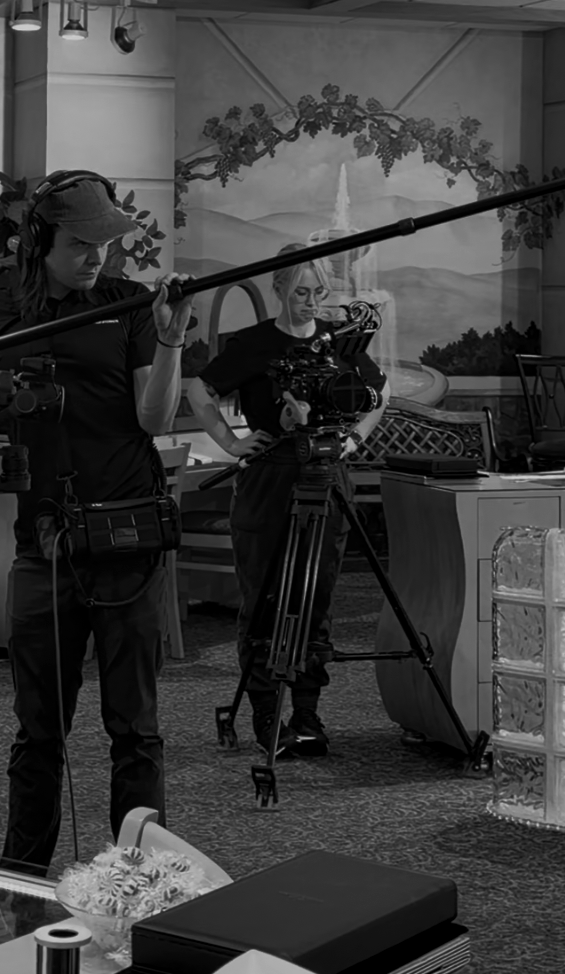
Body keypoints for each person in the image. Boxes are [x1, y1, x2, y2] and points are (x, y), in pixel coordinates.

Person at [0, 170, 193, 873]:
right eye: (80, 244)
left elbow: (154, 418)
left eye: (104, 244)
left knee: (135, 729)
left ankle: (143, 883)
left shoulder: (128, 304)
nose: (95, 257)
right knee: (38, 732)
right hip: (43, 545)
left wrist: (170, 342)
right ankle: (19, 881)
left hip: (126, 538)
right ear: (40, 242)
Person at [186, 247, 390, 757]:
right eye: (301, 291)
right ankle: (265, 713)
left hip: (326, 474)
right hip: (269, 478)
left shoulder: (338, 340)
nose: (311, 301)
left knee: (315, 597)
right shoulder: (254, 343)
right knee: (264, 598)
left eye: (319, 292)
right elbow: (199, 391)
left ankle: (306, 713)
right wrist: (232, 442)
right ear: (278, 289)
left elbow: (379, 393)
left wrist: (355, 438)